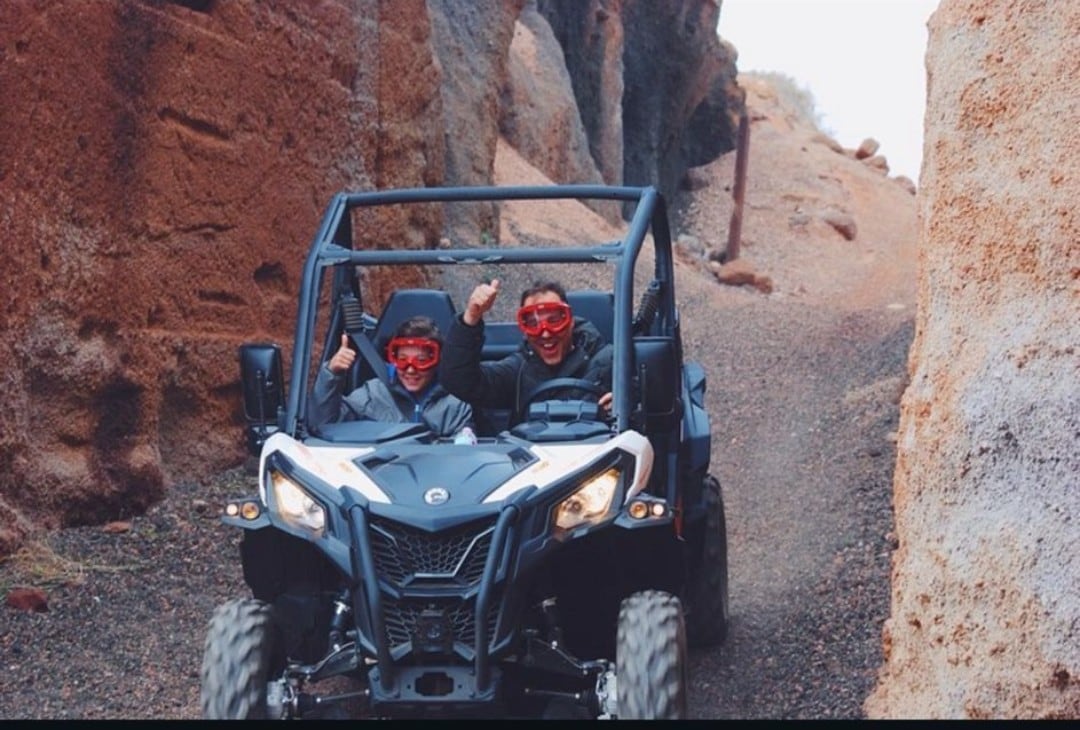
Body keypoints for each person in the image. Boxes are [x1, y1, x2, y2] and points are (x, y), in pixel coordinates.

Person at [441, 279, 613, 427]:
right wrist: (471, 317)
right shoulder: (517, 370)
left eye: (554, 321)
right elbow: (459, 381)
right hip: (531, 460)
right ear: (524, 331)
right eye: (533, 324)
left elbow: (636, 412)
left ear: (570, 322)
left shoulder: (610, 363)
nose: (545, 333)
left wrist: (623, 405)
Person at [308, 315, 473, 437]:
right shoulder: (372, 395)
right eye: (402, 360)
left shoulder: (455, 404)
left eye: (421, 361)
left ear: (437, 360)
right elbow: (322, 426)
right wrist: (331, 374)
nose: (410, 370)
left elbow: (462, 454)